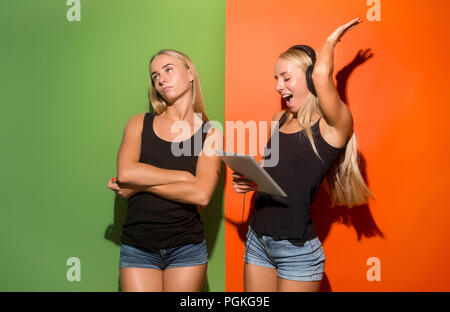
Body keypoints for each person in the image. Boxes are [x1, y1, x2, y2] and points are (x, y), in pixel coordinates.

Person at [231, 17, 372, 292]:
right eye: (276, 79)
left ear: (309, 78)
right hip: (258, 241)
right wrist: (250, 180)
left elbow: (322, 75)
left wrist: (332, 40)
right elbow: (277, 173)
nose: (278, 86)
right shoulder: (278, 120)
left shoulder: (333, 126)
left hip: (297, 252)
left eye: (286, 78)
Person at [107, 49, 222, 292]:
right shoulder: (139, 122)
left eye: (169, 69)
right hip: (138, 246)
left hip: (186, 248)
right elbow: (126, 173)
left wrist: (141, 184)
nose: (161, 79)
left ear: (190, 74)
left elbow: (201, 195)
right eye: (155, 76)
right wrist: (182, 177)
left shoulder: (210, 133)